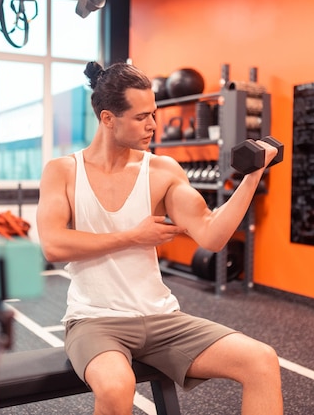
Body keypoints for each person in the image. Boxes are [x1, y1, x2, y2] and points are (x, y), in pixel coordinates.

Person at [36, 61, 283, 415]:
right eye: (141, 117)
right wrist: (133, 236)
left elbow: (212, 235)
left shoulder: (162, 170)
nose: (153, 125)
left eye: (154, 113)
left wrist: (251, 177)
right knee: (116, 388)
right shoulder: (63, 171)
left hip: (161, 318)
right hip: (95, 320)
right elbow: (54, 246)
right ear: (108, 118)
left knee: (261, 360)